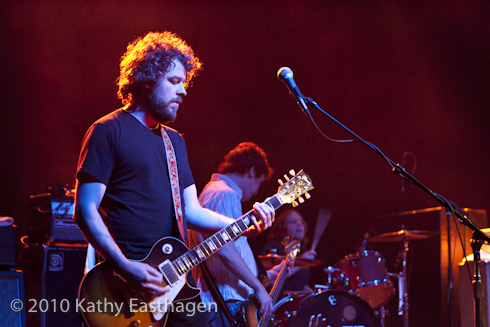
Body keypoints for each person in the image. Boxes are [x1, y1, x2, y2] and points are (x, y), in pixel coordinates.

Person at [73, 31, 275, 327]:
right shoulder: (107, 130)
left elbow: (191, 212)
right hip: (123, 284)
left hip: (177, 279)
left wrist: (243, 226)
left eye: (184, 83)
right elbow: (85, 209)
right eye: (174, 81)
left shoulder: (175, 143)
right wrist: (125, 266)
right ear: (146, 78)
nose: (183, 91)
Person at [189, 142, 277, 327]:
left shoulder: (217, 192)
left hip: (225, 305)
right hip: (225, 304)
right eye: (259, 183)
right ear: (252, 171)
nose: (256, 191)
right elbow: (226, 251)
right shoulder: (224, 193)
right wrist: (259, 288)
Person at [262, 209, 316, 294]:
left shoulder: (301, 251)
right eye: (294, 222)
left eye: (301, 221)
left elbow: (301, 286)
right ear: (284, 226)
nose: (299, 224)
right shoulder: (274, 247)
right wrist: (302, 263)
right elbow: (269, 283)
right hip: (277, 302)